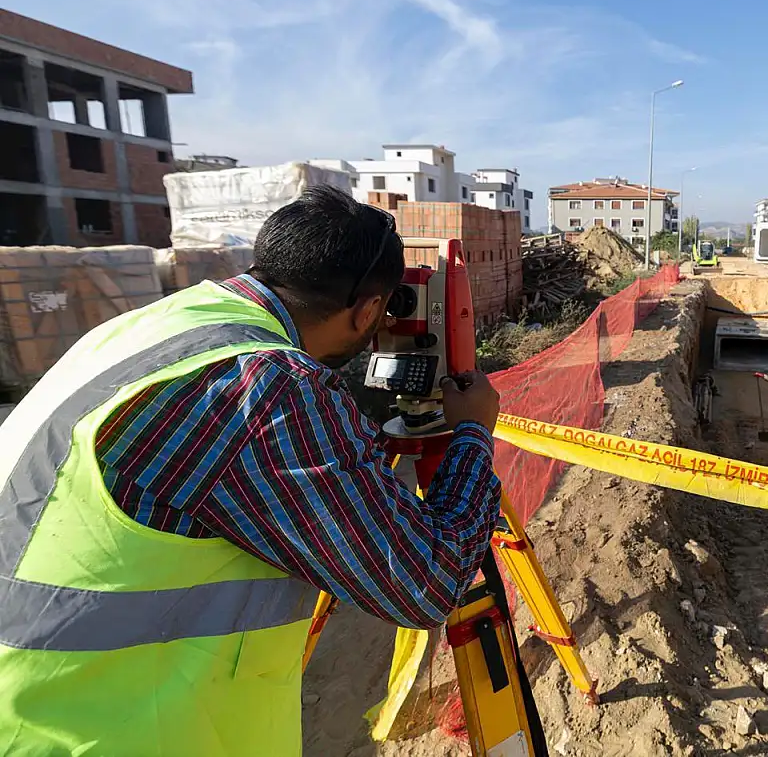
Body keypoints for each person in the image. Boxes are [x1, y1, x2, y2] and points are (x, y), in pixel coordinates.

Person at [0, 185, 502, 757]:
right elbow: (426, 584)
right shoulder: (267, 390)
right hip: (109, 732)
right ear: (368, 310)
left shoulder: (153, 326)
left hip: (30, 706)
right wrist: (471, 434)